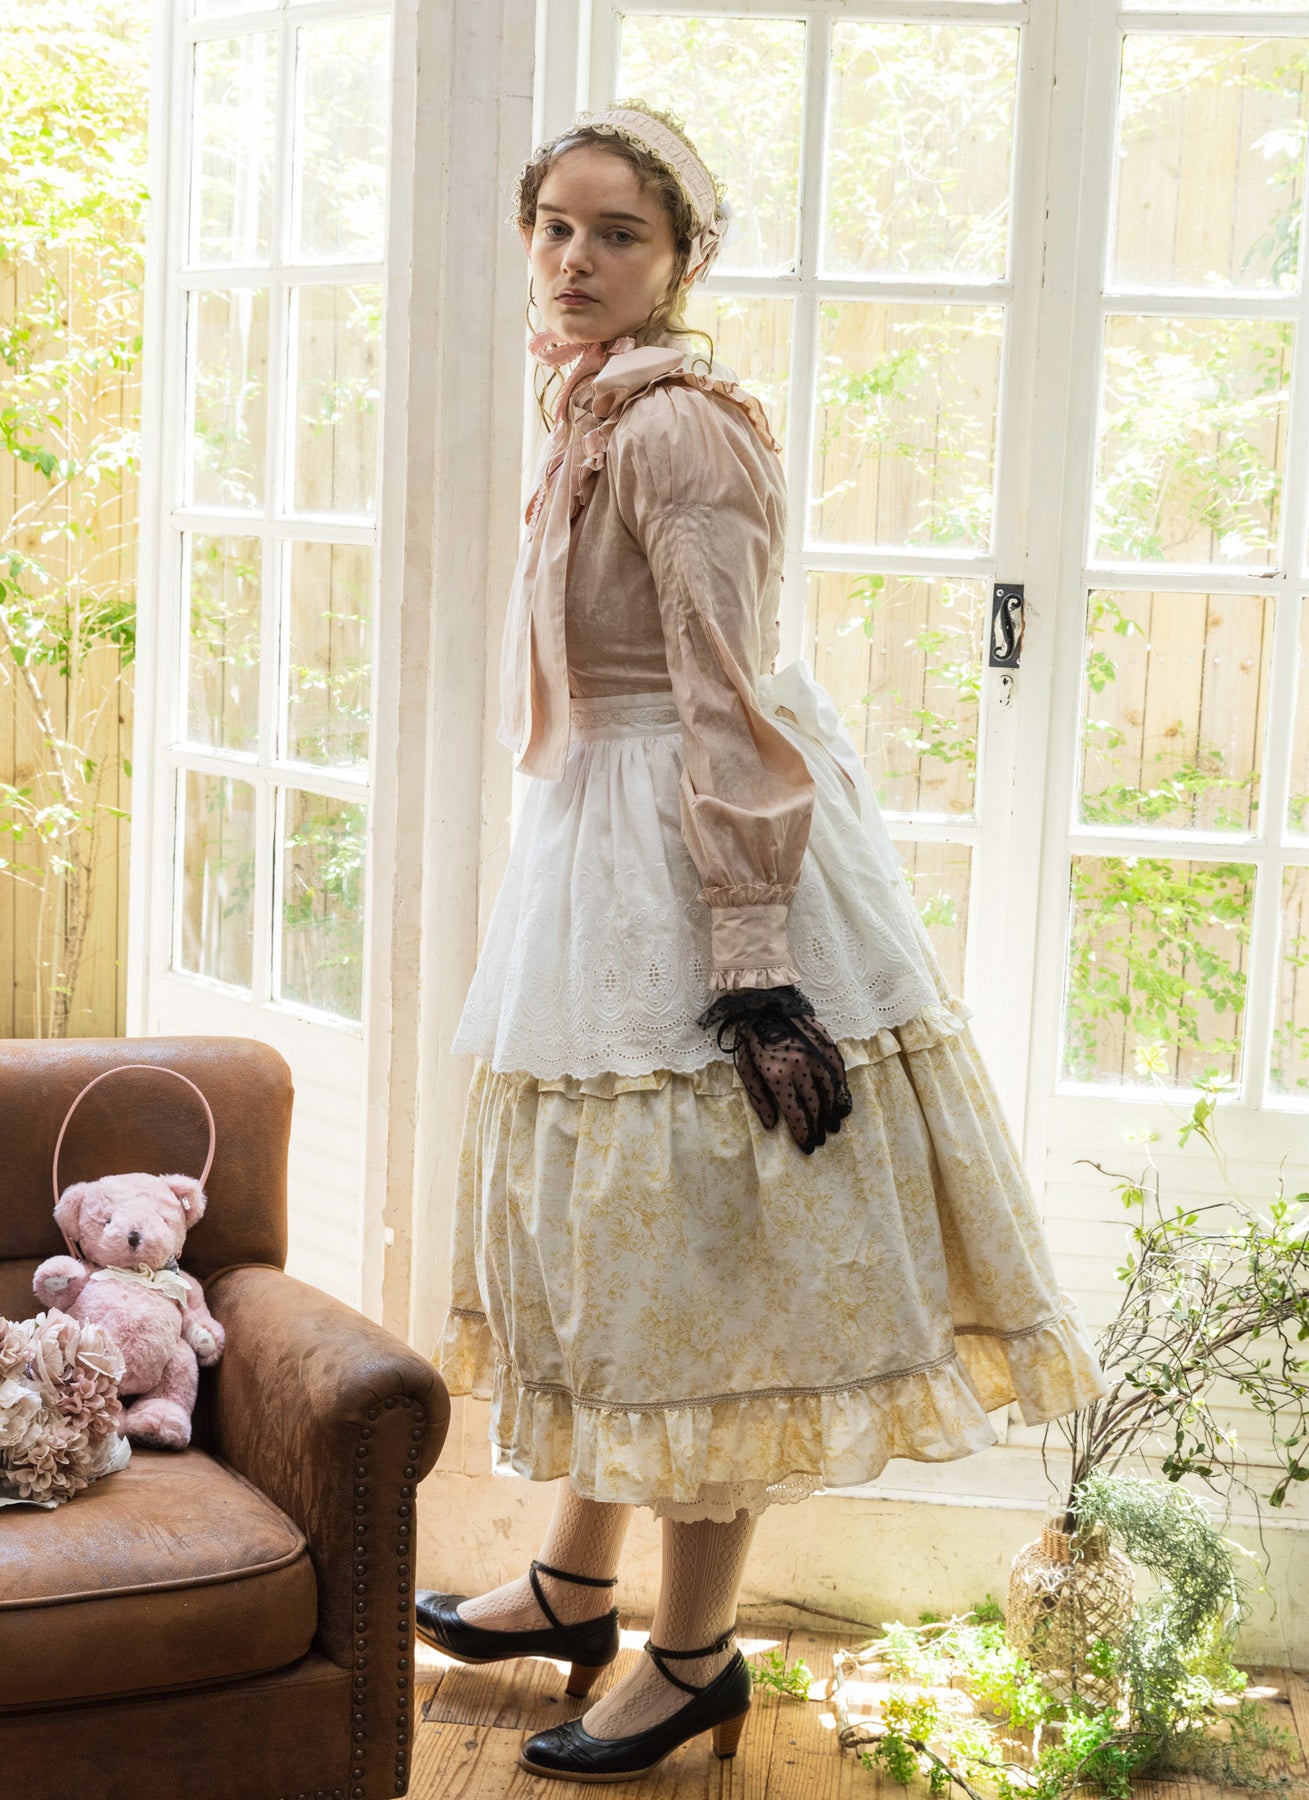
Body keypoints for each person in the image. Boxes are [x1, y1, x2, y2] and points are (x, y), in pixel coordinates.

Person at [417, 99, 1112, 1783]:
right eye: (555, 228)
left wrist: (749, 957)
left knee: (701, 1263)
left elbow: (725, 703)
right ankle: (574, 1588)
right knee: (624, 1245)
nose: (575, 260)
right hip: (606, 840)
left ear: (683, 258)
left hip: (697, 852)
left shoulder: (675, 431)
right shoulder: (592, 402)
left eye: (618, 234)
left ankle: (694, 1656)